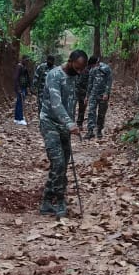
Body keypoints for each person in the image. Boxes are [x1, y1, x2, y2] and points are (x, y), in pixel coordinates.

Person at [38, 49, 88, 218]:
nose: (80, 71)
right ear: (70, 61)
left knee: (64, 163)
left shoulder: (75, 76)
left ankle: (53, 199)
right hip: (49, 122)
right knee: (58, 162)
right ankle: (54, 200)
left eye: (82, 69)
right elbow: (56, 103)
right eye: (78, 67)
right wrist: (69, 123)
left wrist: (75, 121)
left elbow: (73, 101)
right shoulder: (54, 75)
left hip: (65, 126)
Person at [85, 55, 113, 139]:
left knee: (101, 113)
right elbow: (90, 84)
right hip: (93, 94)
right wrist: (87, 96)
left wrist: (106, 93)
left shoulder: (106, 68)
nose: (93, 67)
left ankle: (99, 130)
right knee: (91, 112)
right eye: (91, 66)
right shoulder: (92, 70)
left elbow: (109, 81)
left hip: (103, 95)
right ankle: (90, 131)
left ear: (97, 62)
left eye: (93, 65)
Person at [75, 55, 95, 128]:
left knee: (82, 108)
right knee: (81, 108)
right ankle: (78, 123)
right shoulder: (86, 70)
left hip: (84, 92)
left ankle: (79, 123)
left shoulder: (92, 70)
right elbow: (80, 82)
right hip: (80, 91)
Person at [13, 56, 31, 126]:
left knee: (19, 102)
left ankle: (17, 118)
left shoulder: (24, 67)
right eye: (26, 60)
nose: (27, 62)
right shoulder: (19, 67)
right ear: (22, 60)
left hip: (23, 87)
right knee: (20, 102)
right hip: (20, 87)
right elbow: (16, 78)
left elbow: (26, 77)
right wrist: (18, 88)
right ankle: (20, 119)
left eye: (28, 61)